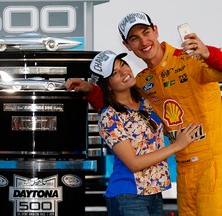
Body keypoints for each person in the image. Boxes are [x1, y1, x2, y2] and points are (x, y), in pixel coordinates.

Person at [66, 12, 222, 216]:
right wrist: (91, 89)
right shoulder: (141, 81)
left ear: (155, 31)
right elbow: (121, 108)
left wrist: (209, 53)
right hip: (183, 170)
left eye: (146, 32)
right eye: (134, 38)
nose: (143, 42)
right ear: (127, 46)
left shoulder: (191, 58)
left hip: (213, 165)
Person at [81, 50, 201, 216]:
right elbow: (134, 164)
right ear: (108, 85)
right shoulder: (109, 117)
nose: (124, 71)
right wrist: (177, 146)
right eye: (115, 73)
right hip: (128, 196)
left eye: (123, 64)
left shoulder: (146, 101)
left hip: (154, 193)